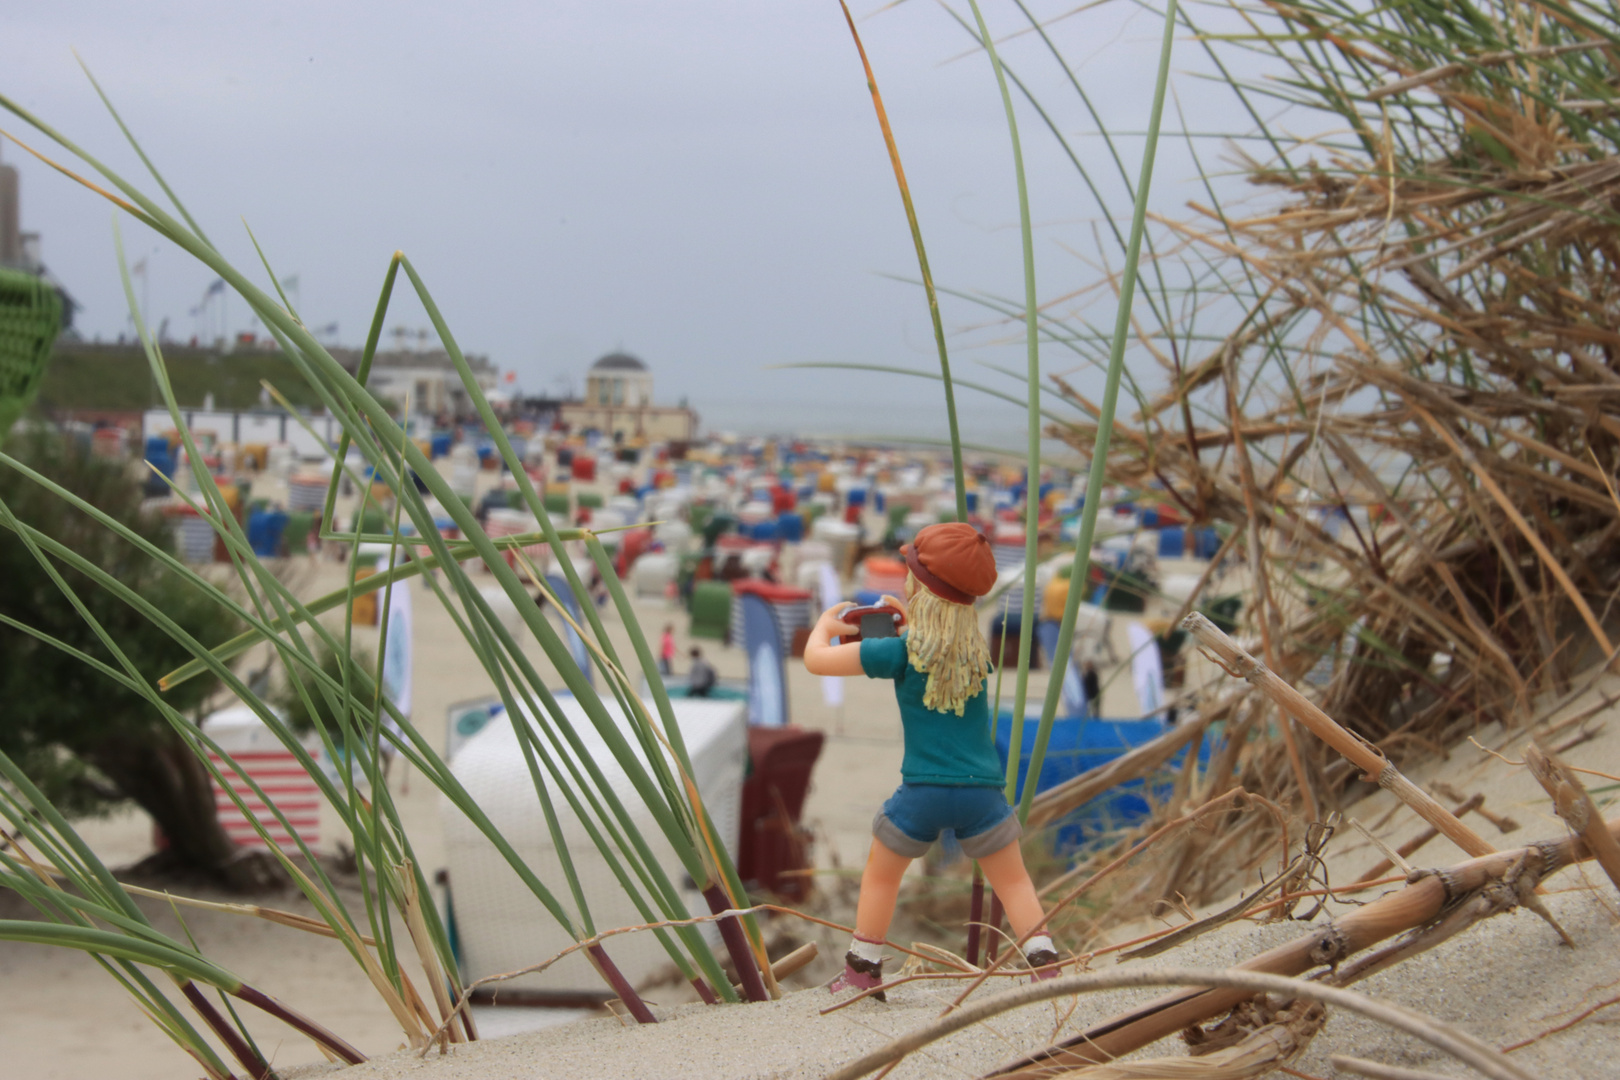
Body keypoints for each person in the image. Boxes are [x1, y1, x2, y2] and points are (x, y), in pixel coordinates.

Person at [803, 522, 1059, 999]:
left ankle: (864, 971)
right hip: (983, 792)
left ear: (917, 586)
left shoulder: (901, 652)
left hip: (922, 792)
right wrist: (913, 620)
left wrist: (823, 627)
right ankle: (1044, 967)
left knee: (882, 873)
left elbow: (817, 661)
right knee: (1014, 880)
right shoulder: (976, 656)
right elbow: (940, 641)